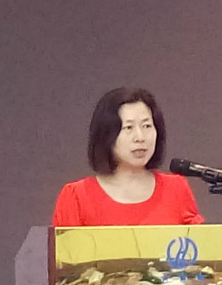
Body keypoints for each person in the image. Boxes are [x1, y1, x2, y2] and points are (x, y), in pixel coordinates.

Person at [52, 87, 204, 226]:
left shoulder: (176, 190)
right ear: (106, 135)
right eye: (128, 127)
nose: (140, 137)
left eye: (147, 126)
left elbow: (198, 245)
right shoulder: (77, 196)